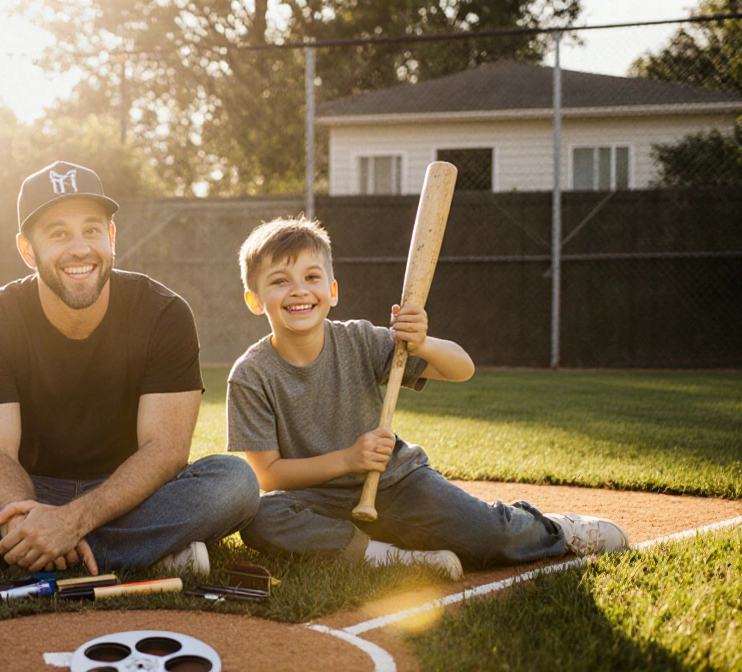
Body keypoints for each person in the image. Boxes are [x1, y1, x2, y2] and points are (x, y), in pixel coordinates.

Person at [0, 161, 258, 576]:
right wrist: (21, 518)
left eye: (91, 229)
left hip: (130, 494)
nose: (80, 248)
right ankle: (140, 552)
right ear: (27, 250)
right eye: (58, 233)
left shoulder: (164, 313)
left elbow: (166, 451)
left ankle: (12, 552)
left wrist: (72, 522)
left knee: (235, 482)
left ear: (112, 236)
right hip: (31, 488)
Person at [227, 216, 628, 580]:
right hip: (315, 501)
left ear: (332, 291)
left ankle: (552, 528)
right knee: (262, 518)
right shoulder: (250, 375)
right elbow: (268, 475)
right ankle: (390, 557)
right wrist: (348, 460)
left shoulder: (359, 340)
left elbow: (462, 368)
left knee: (487, 535)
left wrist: (423, 342)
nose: (299, 291)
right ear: (255, 300)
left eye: (312, 277)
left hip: (397, 484)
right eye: (280, 281)